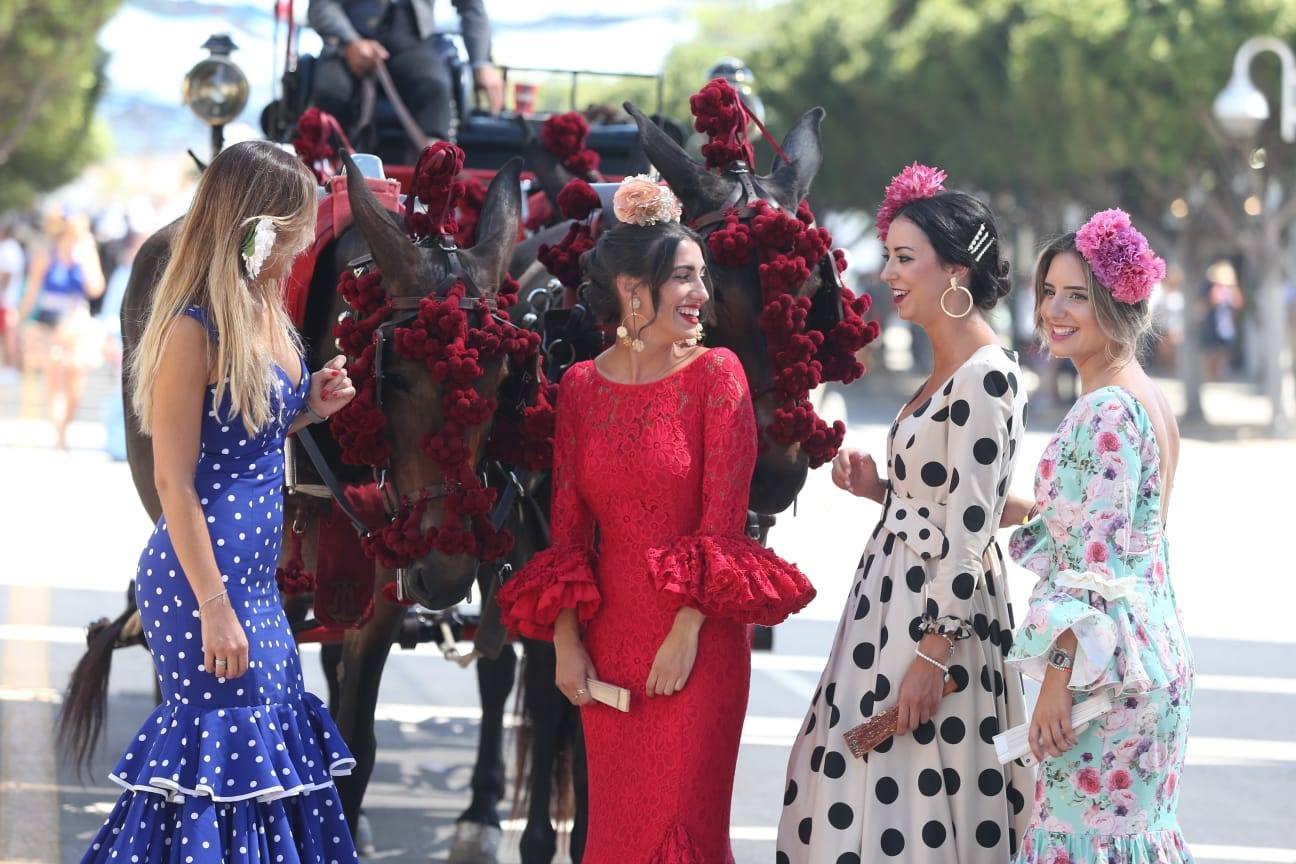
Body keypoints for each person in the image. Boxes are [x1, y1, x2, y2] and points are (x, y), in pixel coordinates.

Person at [496, 176, 814, 863]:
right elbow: (568, 535)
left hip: (696, 648)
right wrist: (568, 642)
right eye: (685, 279)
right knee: (613, 838)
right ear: (634, 291)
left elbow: (723, 529)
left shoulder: (718, 376)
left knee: (683, 835)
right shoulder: (580, 388)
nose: (703, 295)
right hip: (608, 644)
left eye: (703, 278)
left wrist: (687, 629)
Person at [75, 141, 360, 863]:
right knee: (222, 773)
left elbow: (242, 433)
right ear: (256, 226)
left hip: (252, 585)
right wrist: (213, 605)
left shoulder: (262, 310)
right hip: (202, 584)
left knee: (260, 764)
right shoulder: (190, 329)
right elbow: (175, 480)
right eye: (294, 227)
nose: (301, 244)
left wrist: (309, 410)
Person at [778, 163, 1032, 862]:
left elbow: (970, 531)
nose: (887, 272)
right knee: (861, 791)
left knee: (918, 800)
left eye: (903, 258)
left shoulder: (987, 375)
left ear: (955, 271)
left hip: (931, 624)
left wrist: (932, 651)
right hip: (891, 609)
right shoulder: (949, 370)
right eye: (888, 254)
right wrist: (880, 491)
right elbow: (951, 500)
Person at [1004, 211, 1193, 864]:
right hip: (1149, 657)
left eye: (1077, 295)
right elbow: (1113, 529)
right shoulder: (1146, 397)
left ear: (1116, 302)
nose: (1055, 310)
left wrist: (1056, 678)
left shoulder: (1105, 410)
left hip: (1101, 678)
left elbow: (1095, 568)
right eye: (1049, 292)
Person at [308, 0, 505, 142]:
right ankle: (328, 173)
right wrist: (350, 41)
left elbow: (471, 7)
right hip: (349, 39)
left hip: (413, 39)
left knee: (435, 86)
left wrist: (481, 64)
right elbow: (321, 6)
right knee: (332, 91)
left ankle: (432, 174)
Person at [17, 211, 106, 449]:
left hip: (77, 321)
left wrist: (85, 258)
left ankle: (65, 427)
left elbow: (96, 288)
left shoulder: (85, 254)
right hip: (50, 323)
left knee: (76, 383)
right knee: (54, 379)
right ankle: (59, 435)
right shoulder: (46, 254)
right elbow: (33, 289)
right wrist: (21, 316)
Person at [1199, 260, 1242, 381]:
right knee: (1211, 352)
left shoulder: (1232, 290)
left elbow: (1237, 305)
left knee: (1223, 351)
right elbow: (1207, 303)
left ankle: (1219, 374)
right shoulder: (1209, 287)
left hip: (1226, 324)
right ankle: (1210, 376)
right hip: (1212, 323)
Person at [0, 216, 25, 378]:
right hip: (8, 298)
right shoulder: (10, 247)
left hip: (7, 299)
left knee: (9, 334)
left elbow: (6, 274)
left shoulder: (8, 248)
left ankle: (12, 367)